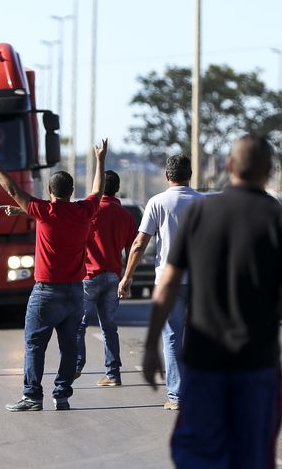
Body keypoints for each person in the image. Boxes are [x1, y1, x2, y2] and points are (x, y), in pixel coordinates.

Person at [144, 134, 282, 467]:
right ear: (268, 170)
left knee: (195, 450)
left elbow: (166, 282)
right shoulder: (280, 220)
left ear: (229, 165)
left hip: (205, 363)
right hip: (258, 361)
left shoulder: (200, 213)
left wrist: (152, 345)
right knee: (253, 453)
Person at [0, 138, 108, 412]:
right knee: (69, 346)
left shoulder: (45, 211)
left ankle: (33, 396)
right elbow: (97, 190)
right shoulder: (83, 211)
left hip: (47, 292)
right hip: (74, 291)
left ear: (49, 191)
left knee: (35, 344)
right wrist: (100, 159)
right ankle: (62, 395)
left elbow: (11, 188)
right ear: (72, 191)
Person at [118, 154, 203, 410]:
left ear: (167, 176)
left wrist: (127, 276)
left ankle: (177, 397)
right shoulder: (204, 203)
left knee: (173, 337)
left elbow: (139, 243)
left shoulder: (157, 202)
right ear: (190, 175)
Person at [75, 170, 136, 386]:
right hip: (113, 276)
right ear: (117, 188)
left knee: (79, 325)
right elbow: (132, 249)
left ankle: (76, 365)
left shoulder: (89, 211)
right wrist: (127, 277)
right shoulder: (126, 216)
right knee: (109, 327)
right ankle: (113, 374)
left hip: (89, 276)